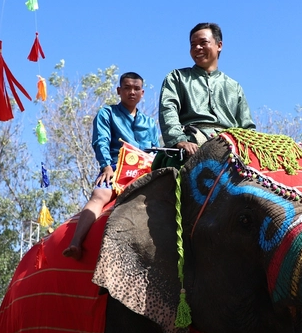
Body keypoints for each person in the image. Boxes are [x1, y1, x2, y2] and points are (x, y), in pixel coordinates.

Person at [64, 73, 159, 260]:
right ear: (119, 91)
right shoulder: (106, 113)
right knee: (100, 194)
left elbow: (155, 150)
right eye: (127, 87)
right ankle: (75, 242)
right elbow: (101, 141)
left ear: (142, 93)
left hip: (144, 171)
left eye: (136, 88)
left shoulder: (149, 123)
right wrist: (106, 166)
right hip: (116, 168)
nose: (132, 92)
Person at [158, 23, 255, 156]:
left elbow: (247, 127)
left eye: (203, 42)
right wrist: (179, 140)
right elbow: (168, 110)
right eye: (193, 45)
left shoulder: (234, 86)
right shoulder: (177, 77)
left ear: (219, 45)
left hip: (231, 148)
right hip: (191, 144)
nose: (197, 48)